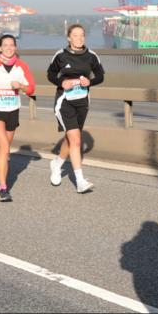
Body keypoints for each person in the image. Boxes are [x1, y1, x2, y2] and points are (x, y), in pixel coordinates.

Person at [0, 34, 36, 202]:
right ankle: (3, 188)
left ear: (15, 47)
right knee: (4, 148)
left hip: (12, 111)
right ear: (0, 48)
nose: (9, 48)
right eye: (5, 45)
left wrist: (22, 86)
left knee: (0, 150)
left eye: (12, 45)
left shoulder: (22, 66)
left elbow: (31, 88)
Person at [46, 24, 104, 193]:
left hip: (83, 102)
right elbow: (50, 74)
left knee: (71, 139)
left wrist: (90, 82)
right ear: (69, 38)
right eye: (75, 35)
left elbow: (100, 75)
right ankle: (80, 181)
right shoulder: (60, 55)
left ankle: (56, 164)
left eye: (82, 35)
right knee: (77, 140)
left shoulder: (91, 56)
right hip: (64, 102)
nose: (79, 38)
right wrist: (61, 82)